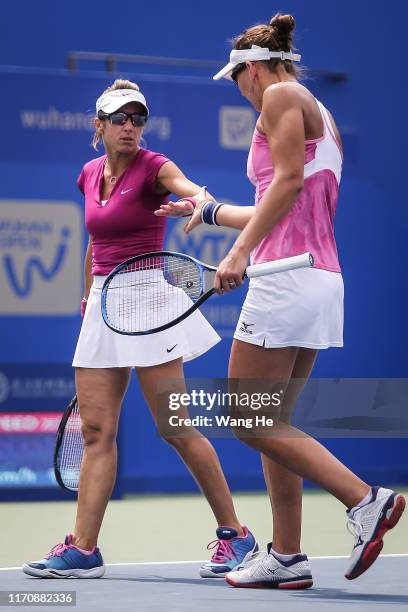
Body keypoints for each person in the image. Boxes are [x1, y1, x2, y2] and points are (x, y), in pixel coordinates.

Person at [156, 14, 406, 588]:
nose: (240, 92)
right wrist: (212, 213)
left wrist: (239, 253)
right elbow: (280, 199)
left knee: (247, 419)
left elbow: (288, 183)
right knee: (276, 420)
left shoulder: (281, 95)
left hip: (285, 278)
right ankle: (288, 556)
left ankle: (365, 500)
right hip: (316, 278)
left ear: (255, 68)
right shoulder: (316, 109)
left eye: (238, 78)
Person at [22, 79, 257, 579]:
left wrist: (198, 206)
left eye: (138, 119)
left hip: (149, 299)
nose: (131, 127)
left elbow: (195, 192)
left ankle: (235, 535)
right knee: (97, 431)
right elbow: (94, 243)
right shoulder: (88, 174)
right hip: (104, 304)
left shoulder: (155, 167)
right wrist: (88, 297)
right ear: (100, 126)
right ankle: (84, 549)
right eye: (121, 118)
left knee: (174, 426)